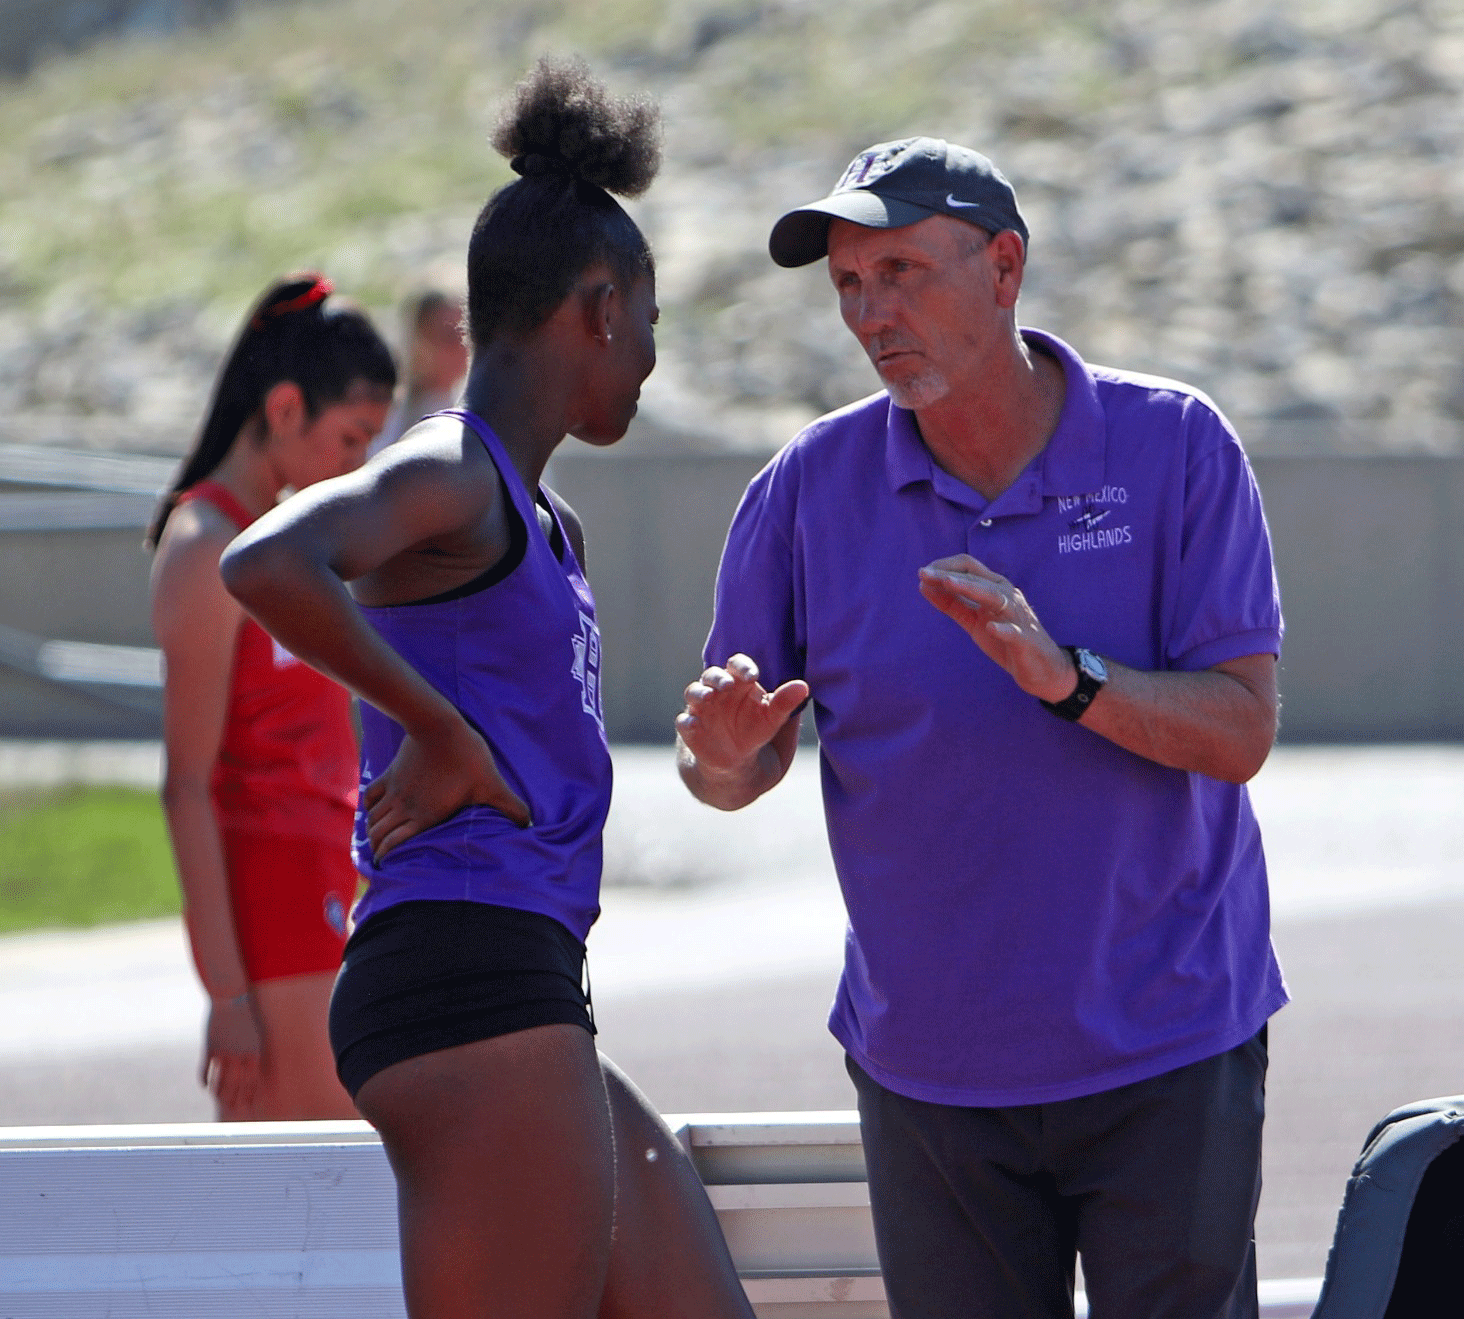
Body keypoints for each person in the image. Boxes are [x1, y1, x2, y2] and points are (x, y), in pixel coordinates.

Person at [677, 136, 1286, 1319]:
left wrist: (1067, 677)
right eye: (850, 284)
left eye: (901, 270)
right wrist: (720, 757)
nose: (869, 311)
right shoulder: (804, 488)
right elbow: (732, 768)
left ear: (1004, 267)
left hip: (1168, 1044)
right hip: (932, 1073)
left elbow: (1242, 727)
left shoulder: (1178, 448)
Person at [219, 58, 755, 1319]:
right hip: (464, 972)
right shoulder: (456, 465)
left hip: (526, 979)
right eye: (652, 319)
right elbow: (268, 558)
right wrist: (436, 727)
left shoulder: (540, 513)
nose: (653, 357)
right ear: (597, 305)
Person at [147, 273, 397, 1120]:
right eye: (350, 439)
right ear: (284, 409)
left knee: (361, 1202)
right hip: (274, 926)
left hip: (335, 895)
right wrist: (226, 992)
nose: (357, 467)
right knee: (308, 1221)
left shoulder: (287, 541)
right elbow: (186, 783)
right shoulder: (202, 549)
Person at [367, 287, 470, 456]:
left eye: (465, 335)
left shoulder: (475, 409)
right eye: (448, 336)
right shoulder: (389, 407)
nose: (460, 348)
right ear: (419, 337)